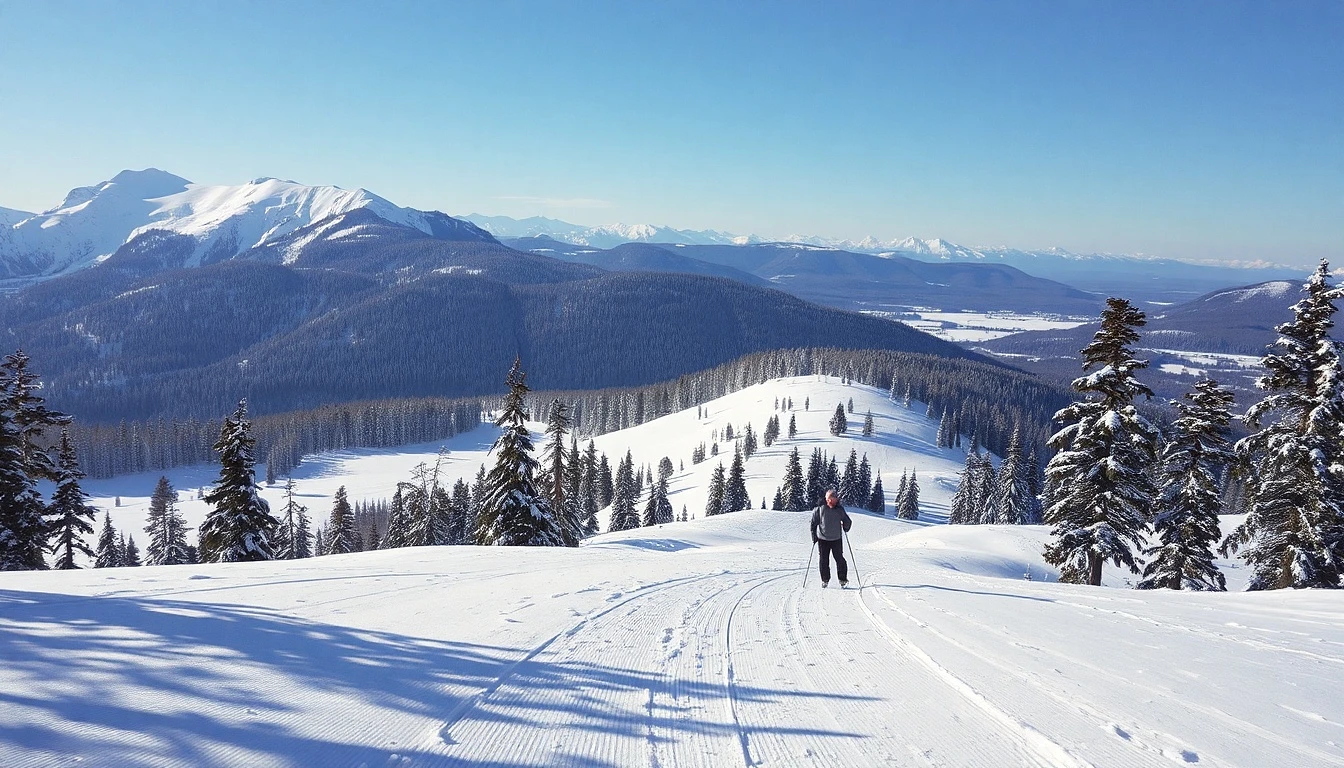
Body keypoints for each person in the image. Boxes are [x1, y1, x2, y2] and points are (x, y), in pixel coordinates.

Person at [809, 489, 852, 587]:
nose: (832, 501)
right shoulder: (819, 509)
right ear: (826, 499)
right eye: (830, 499)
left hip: (836, 539)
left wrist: (846, 527)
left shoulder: (839, 510)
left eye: (834, 499)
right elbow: (813, 524)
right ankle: (825, 580)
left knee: (840, 559)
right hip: (822, 539)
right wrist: (814, 537)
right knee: (824, 560)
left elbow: (847, 521)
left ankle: (842, 580)